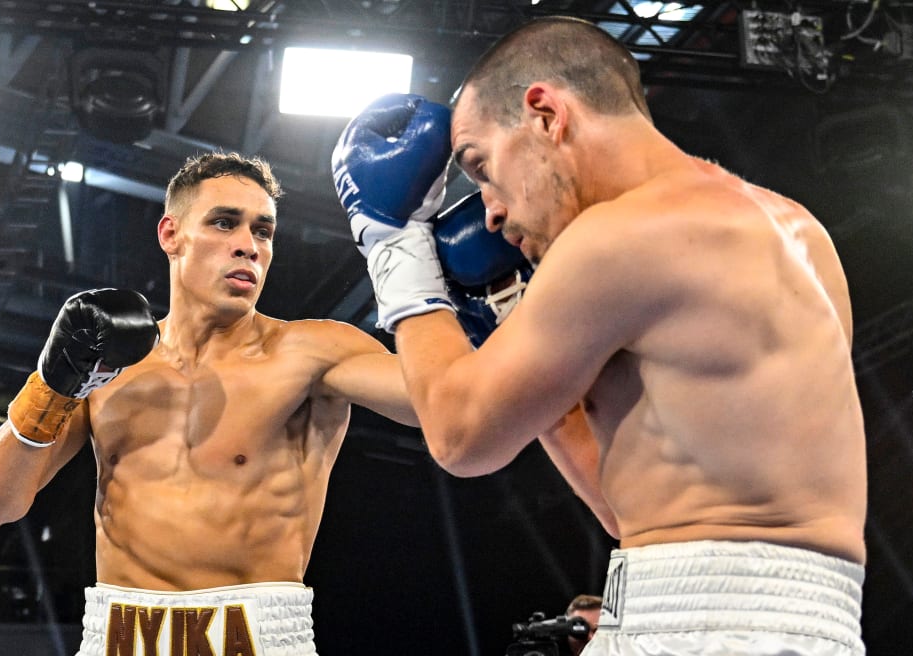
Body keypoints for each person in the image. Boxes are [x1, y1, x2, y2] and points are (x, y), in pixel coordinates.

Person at [331, 15, 868, 656]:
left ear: (545, 114)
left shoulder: (618, 238)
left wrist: (393, 246)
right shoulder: (800, 230)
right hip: (805, 617)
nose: (491, 210)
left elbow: (459, 434)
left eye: (480, 167)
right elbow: (629, 510)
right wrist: (512, 325)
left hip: (699, 623)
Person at [0, 152, 420, 656]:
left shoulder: (312, 352)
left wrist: (417, 264)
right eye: (225, 223)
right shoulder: (109, 365)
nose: (248, 246)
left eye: (263, 232)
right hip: (118, 637)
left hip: (256, 636)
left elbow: (441, 407)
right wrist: (54, 384)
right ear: (170, 234)